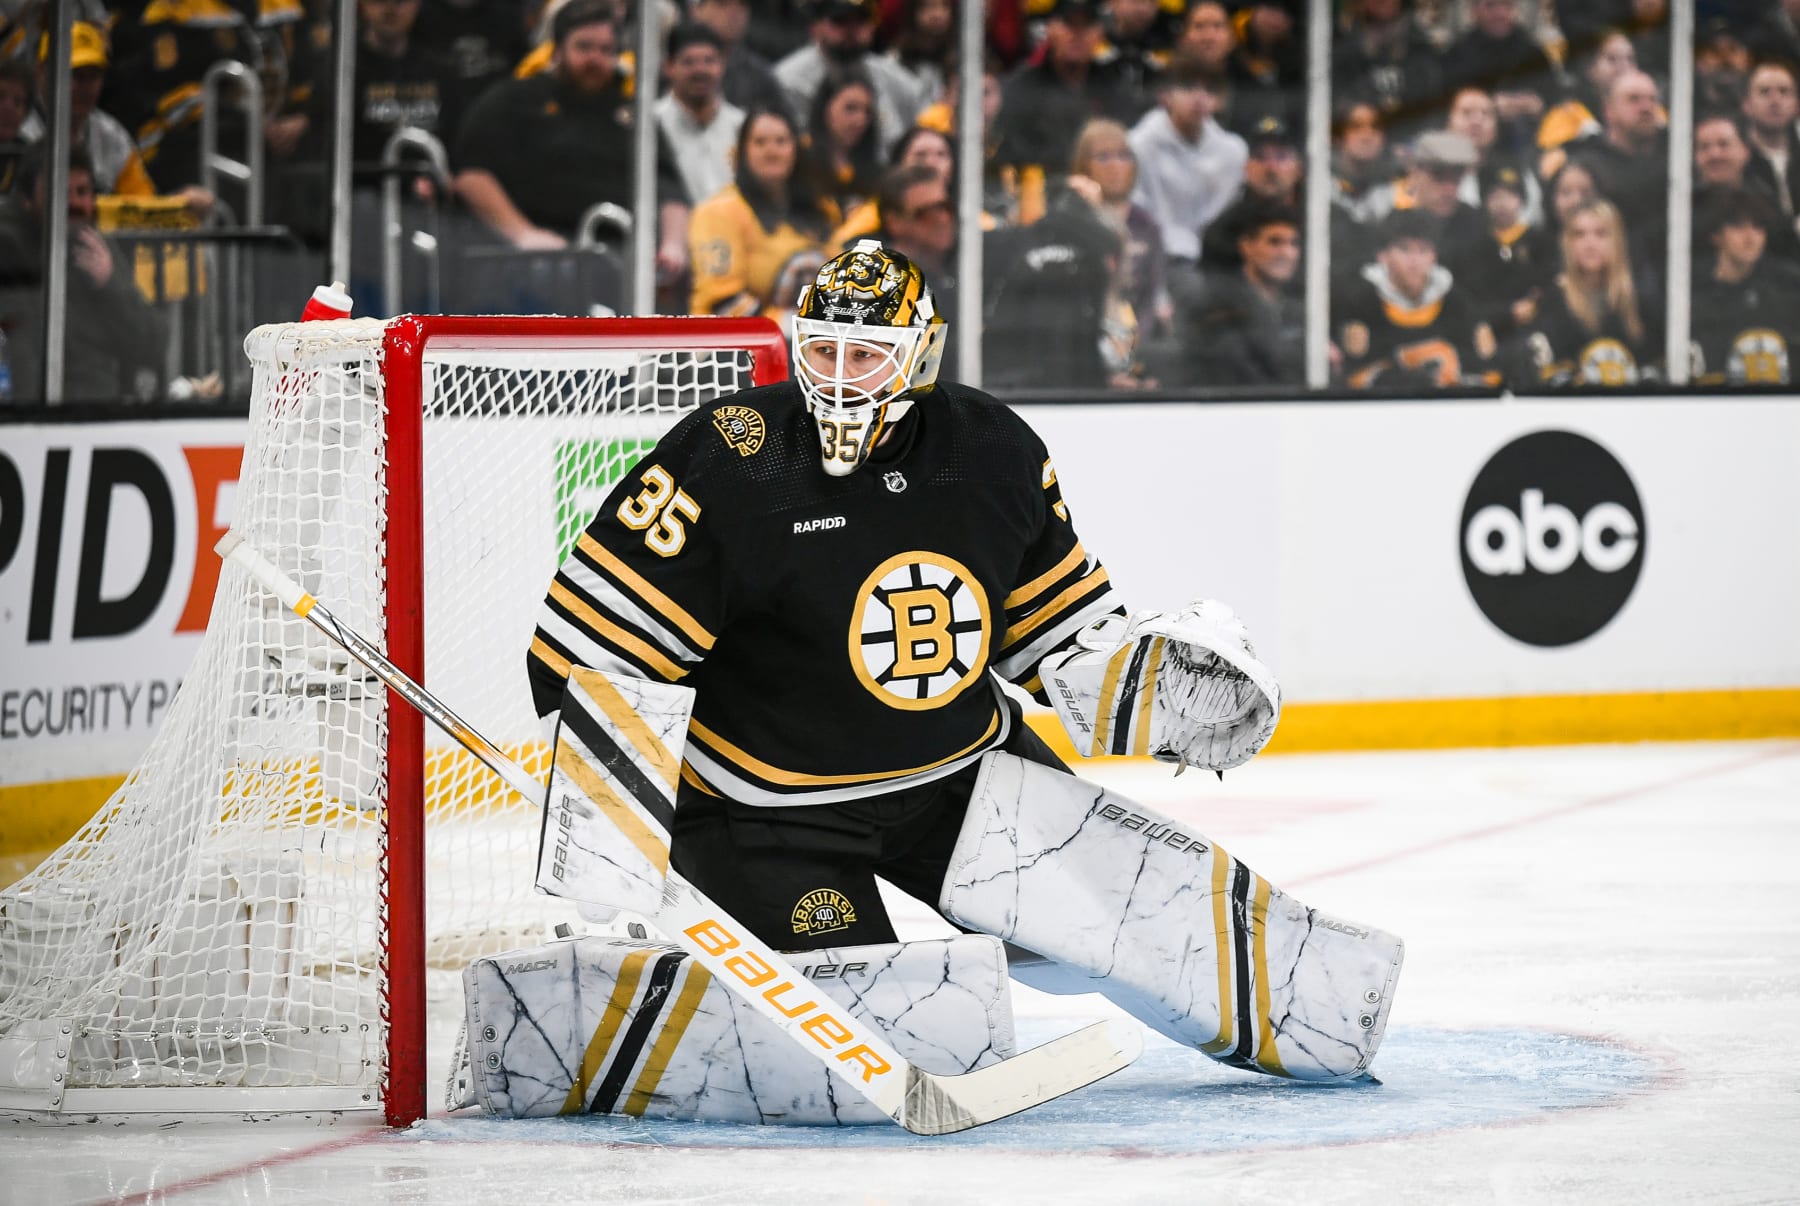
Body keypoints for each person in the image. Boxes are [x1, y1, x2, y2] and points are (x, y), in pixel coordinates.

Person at [522, 238, 1320, 1094]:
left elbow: (1051, 630)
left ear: (919, 356)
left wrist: (1140, 687)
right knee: (894, 1037)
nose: (837, 375)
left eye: (865, 355)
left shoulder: (992, 448)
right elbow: (595, 650)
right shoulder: (733, 454)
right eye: (821, 350)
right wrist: (610, 836)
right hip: (767, 817)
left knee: (1129, 922)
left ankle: (1300, 1008)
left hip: (964, 781)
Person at [453, 0, 690, 276]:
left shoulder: (631, 112)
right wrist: (523, 234)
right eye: (584, 47)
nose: (595, 59)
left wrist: (673, 245)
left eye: (606, 50)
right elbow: (471, 176)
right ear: (556, 51)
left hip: (621, 262)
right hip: (534, 265)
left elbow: (668, 186)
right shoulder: (514, 101)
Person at [0, 145, 165, 402]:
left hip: (97, 409)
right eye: (60, 192)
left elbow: (152, 345)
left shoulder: (96, 249)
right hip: (22, 410)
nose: (74, 203)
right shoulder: (8, 246)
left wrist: (112, 284)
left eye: (82, 192)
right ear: (27, 199)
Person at [688, 106, 831, 328]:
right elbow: (723, 302)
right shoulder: (718, 211)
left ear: (796, 149)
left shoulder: (819, 208)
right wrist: (787, 325)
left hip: (805, 342)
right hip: (725, 348)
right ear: (741, 152)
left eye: (781, 141)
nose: (771, 151)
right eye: (760, 142)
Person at [993, 0, 1139, 217]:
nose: (1077, 35)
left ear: (1099, 33)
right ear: (1050, 29)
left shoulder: (1116, 88)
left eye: (1086, 26)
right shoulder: (1019, 88)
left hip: (1105, 205)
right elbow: (1010, 157)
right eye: (1069, 24)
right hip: (1039, 205)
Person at [1335, 208, 1498, 390]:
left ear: (1434, 257)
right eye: (1404, 249)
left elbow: (1486, 371)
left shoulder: (1456, 303)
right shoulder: (1360, 303)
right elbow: (1352, 377)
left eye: (1423, 250)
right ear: (1382, 256)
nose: (1414, 261)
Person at [1127, 60, 1244, 304]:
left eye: (1210, 90)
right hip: (1154, 257)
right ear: (1165, 95)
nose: (1200, 98)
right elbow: (1135, 215)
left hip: (1213, 260)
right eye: (1189, 87)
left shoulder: (1233, 151)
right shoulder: (1138, 145)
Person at [1524, 198, 1658, 386]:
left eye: (1601, 234)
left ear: (1617, 240)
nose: (1590, 243)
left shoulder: (1640, 301)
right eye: (1579, 234)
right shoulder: (1554, 301)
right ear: (1567, 243)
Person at [1180, 200, 1303, 386]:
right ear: (1246, 246)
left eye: (1293, 243)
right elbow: (1238, 373)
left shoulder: (1298, 310)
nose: (1287, 253)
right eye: (1274, 242)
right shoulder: (1218, 307)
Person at [1071, 116, 1168, 353]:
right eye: (1103, 157)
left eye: (1123, 156)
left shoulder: (1147, 225)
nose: (1115, 166)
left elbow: (1150, 298)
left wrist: (1135, 346)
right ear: (1084, 164)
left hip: (1136, 337)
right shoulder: (1073, 222)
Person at [775, 0, 923, 152]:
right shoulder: (788, 80)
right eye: (840, 20)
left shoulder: (897, 81)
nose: (852, 30)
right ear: (817, 27)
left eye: (862, 20)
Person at [1689, 186, 1800, 386]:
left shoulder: (1788, 288)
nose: (1750, 238)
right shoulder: (1692, 293)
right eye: (1738, 226)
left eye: (1758, 227)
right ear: (1716, 235)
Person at [1440, 0, 1560, 149]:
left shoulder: (1532, 51)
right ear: (1474, 11)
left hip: (1532, 141)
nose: (1500, 13)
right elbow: (1448, 102)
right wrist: (1490, 105)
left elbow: (1556, 95)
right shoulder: (1457, 55)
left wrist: (1539, 104)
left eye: (1507, 5)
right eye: (1490, 5)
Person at [657, 22, 746, 210]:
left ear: (722, 64)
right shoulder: (651, 124)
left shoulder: (743, 126)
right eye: (688, 62)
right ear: (668, 67)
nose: (700, 71)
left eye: (709, 61)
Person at [1330, 0, 1444, 143]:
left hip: (1414, 140)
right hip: (1361, 140)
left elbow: (1434, 103)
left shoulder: (1420, 47)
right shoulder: (1343, 47)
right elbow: (1335, 100)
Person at [801, 69, 885, 220]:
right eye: (850, 108)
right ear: (825, 107)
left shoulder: (874, 169)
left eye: (867, 111)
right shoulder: (800, 156)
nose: (860, 120)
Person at [690, 0, 792, 116]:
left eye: (743, 4)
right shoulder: (676, 68)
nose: (734, 13)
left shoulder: (760, 77)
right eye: (722, 4)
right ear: (696, 11)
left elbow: (788, 128)